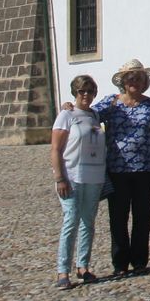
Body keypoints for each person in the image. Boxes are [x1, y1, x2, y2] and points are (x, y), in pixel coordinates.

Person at [93, 58, 150, 277]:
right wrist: (71, 108)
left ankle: (140, 261)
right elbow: (90, 116)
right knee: (118, 217)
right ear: (123, 82)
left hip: (146, 170)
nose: (134, 81)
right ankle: (120, 263)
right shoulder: (112, 103)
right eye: (130, 78)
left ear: (144, 82)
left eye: (138, 78)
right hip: (118, 170)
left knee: (143, 217)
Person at [51, 74, 106, 289]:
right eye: (82, 91)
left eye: (90, 91)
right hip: (72, 176)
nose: (86, 95)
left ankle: (83, 266)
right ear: (75, 93)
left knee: (88, 222)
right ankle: (62, 270)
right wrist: (60, 177)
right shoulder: (66, 115)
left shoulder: (95, 114)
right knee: (70, 221)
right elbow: (56, 148)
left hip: (94, 176)